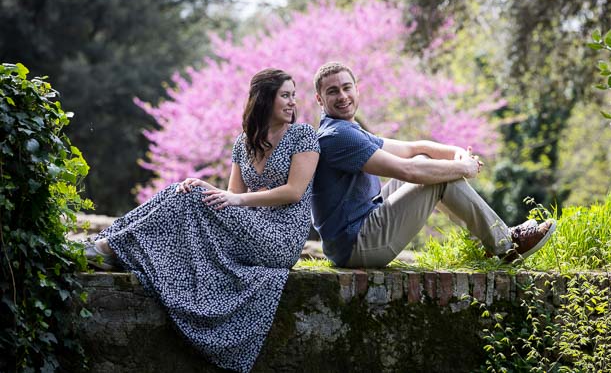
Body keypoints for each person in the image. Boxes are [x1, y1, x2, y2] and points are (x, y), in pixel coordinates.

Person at [83, 68, 320, 372]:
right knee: (182, 190)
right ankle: (112, 241)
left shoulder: (302, 135)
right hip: (250, 228)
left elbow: (294, 191)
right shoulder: (244, 142)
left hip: (281, 240)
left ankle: (110, 247)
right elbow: (231, 196)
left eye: (293, 96)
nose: (292, 103)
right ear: (264, 99)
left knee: (190, 197)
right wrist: (207, 188)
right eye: (285, 95)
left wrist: (236, 199)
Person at [310, 61, 556, 268]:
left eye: (346, 87)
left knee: (425, 161)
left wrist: (458, 154)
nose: (342, 96)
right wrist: (463, 169)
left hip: (356, 234)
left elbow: (414, 149)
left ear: (357, 90)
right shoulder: (338, 136)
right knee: (434, 179)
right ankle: (506, 245)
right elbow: (409, 171)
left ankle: (491, 240)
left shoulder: (346, 129)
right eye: (333, 92)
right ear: (320, 99)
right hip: (356, 246)